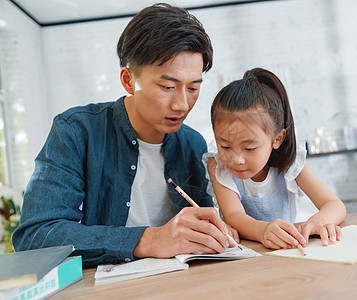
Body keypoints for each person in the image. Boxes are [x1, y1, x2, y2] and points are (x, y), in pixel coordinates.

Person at [13, 3, 238, 268]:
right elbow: (35, 235)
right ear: (128, 79)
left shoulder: (193, 144)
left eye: (193, 88)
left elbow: (201, 223)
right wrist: (148, 239)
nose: (182, 104)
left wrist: (216, 231)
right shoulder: (76, 131)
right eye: (168, 86)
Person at [205, 67, 346, 250]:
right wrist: (263, 231)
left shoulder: (292, 163)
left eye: (249, 148)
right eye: (225, 146)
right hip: (244, 256)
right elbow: (234, 215)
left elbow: (334, 204)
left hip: (287, 250)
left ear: (277, 139)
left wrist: (319, 221)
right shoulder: (219, 167)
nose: (236, 159)